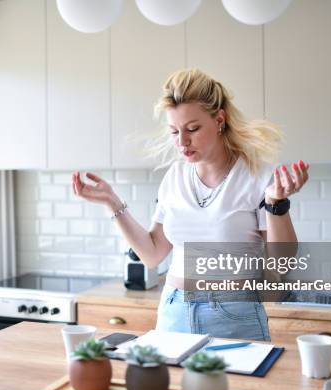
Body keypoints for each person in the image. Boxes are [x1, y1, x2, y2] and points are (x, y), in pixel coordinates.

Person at [71, 68, 310, 341]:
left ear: (219, 119)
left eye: (192, 129)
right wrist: (111, 202)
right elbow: (152, 253)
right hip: (174, 312)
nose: (182, 142)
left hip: (234, 315)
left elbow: (282, 263)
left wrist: (276, 204)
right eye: (174, 132)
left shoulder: (256, 177)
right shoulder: (174, 176)